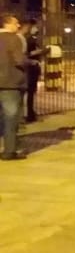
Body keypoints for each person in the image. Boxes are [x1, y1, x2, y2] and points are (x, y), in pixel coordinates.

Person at [0, 13, 28, 160]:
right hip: (9, 83)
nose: (18, 25)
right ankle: (9, 151)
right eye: (15, 23)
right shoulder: (13, 38)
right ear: (7, 24)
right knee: (10, 118)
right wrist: (29, 62)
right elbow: (19, 60)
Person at [21, 19, 43, 122]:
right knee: (29, 91)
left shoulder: (33, 38)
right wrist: (39, 52)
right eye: (35, 26)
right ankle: (29, 114)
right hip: (30, 67)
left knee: (31, 91)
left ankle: (30, 112)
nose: (36, 28)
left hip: (34, 67)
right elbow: (26, 54)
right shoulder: (27, 39)